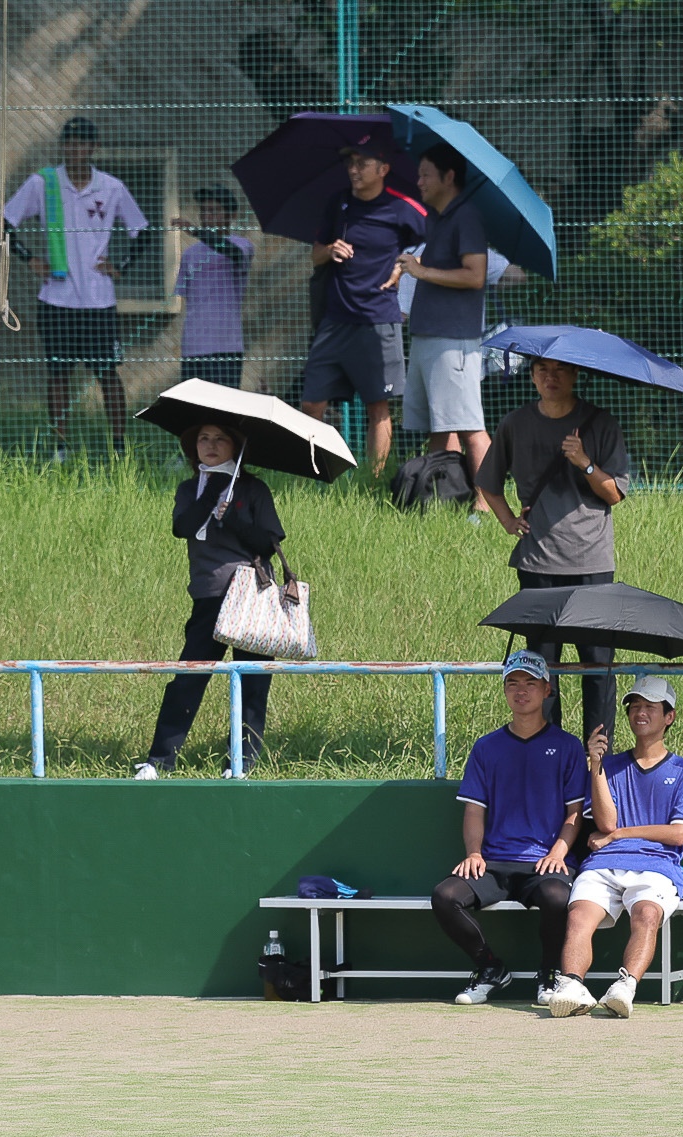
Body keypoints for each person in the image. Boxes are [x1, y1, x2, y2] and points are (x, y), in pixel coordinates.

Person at [474, 356, 633, 737]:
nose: (551, 377)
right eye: (542, 369)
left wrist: (584, 462)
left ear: (575, 374)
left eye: (560, 369)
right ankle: (550, 751)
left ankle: (598, 756)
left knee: (598, 666)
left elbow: (614, 494)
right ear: (531, 376)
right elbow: (487, 482)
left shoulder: (601, 423)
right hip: (537, 563)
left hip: (591, 562)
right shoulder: (515, 423)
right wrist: (509, 521)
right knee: (541, 669)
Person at [430, 651, 588, 1006]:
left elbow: (575, 812)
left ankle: (550, 974)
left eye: (530, 683)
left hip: (544, 863)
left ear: (547, 690)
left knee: (558, 898)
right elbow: (474, 809)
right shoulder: (487, 747)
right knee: (445, 896)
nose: (521, 691)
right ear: (504, 691)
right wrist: (474, 853)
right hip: (495, 863)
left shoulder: (567, 746)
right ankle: (490, 968)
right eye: (513, 683)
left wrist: (559, 851)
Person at [542, 676, 683, 1019]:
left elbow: (678, 834)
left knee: (647, 914)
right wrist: (596, 766)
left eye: (650, 707)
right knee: (578, 916)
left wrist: (619, 835)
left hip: (657, 866)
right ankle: (571, 986)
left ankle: (624, 988)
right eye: (635, 706)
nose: (640, 713)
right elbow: (606, 823)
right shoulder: (609, 767)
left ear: (669, 717)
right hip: (604, 863)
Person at [135, 421, 285, 778]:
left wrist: (232, 519)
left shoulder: (253, 489)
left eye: (220, 439)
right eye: (203, 438)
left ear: (236, 446)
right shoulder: (190, 488)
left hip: (251, 597)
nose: (211, 445)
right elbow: (182, 527)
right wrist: (212, 492)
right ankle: (159, 761)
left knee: (252, 681)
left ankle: (240, 764)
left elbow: (269, 543)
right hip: (209, 597)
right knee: (189, 678)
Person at [2, 117, 149, 457]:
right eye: (69, 143)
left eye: (82, 143)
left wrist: (120, 266)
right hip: (56, 300)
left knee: (107, 374)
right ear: (63, 146)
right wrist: (30, 259)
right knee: (58, 374)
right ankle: (60, 448)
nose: (75, 149)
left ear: (93, 147)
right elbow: (4, 222)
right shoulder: (43, 183)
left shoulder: (111, 187)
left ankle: (118, 447)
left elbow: (141, 230)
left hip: (99, 302)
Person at [298, 136, 426, 480]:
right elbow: (315, 255)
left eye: (362, 163)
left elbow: (437, 242)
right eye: (350, 163)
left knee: (378, 407)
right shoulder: (337, 203)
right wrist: (330, 250)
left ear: (383, 169)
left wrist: (405, 266)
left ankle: (374, 482)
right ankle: (316, 477)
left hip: (378, 321)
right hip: (334, 321)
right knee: (311, 403)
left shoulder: (402, 208)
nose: (353, 170)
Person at [394, 145, 492, 473]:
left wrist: (421, 271)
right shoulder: (437, 217)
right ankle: (441, 495)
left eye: (425, 175)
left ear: (449, 177)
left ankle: (486, 500)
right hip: (427, 336)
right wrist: (410, 264)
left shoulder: (467, 216)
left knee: (470, 427)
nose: (418, 182)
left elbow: (475, 275)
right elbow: (443, 264)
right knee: (439, 427)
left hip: (453, 341)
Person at [175, 185, 253, 390]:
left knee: (224, 405)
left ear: (231, 215)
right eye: (203, 211)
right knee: (193, 406)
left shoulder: (242, 245)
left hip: (226, 345)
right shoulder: (190, 254)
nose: (206, 216)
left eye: (214, 211)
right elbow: (187, 296)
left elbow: (233, 253)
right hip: (194, 345)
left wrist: (195, 231)